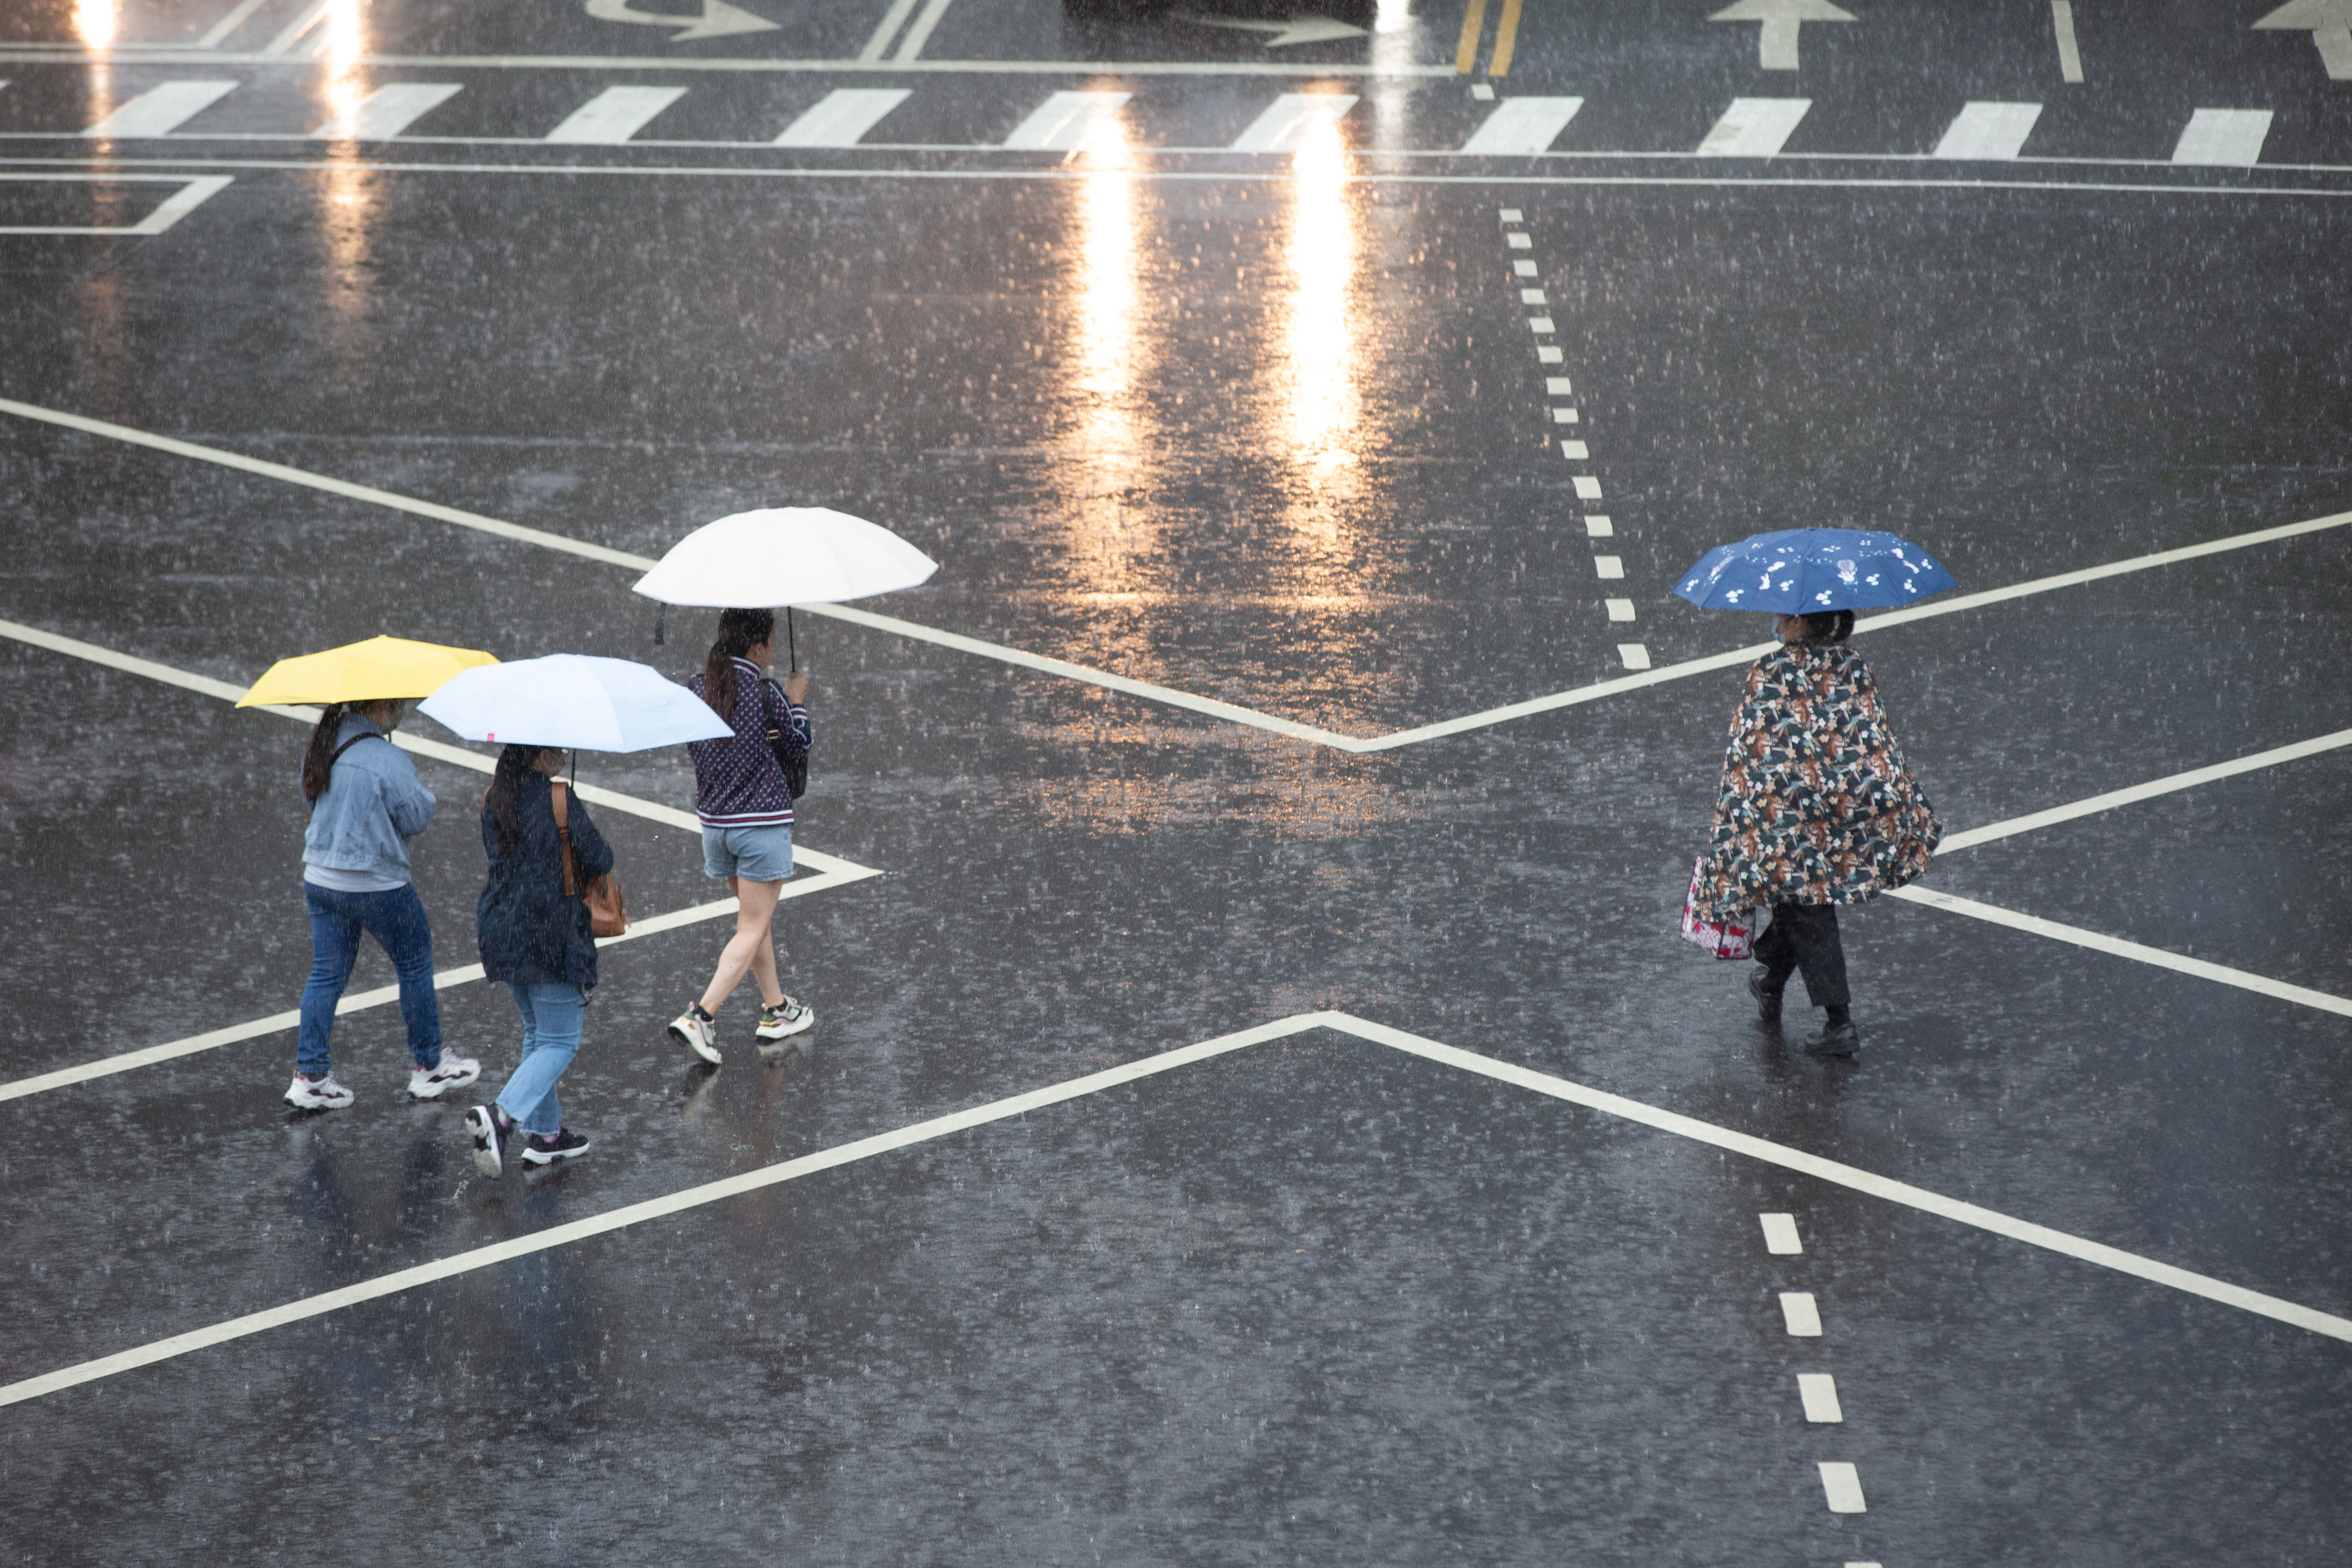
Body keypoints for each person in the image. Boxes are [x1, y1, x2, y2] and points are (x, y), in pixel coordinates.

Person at [1693, 609, 1940, 1056]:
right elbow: (1874, 741)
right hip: (1840, 816)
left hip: (1787, 821)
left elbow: (1748, 755)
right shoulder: (1854, 667)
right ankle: (1770, 979)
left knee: (1809, 906)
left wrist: (1737, 825)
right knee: (1802, 903)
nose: (1778, 620)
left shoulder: (1769, 672)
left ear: (1800, 623)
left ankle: (1839, 1021)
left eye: (1786, 615)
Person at [287, 698, 478, 1111]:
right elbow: (416, 817)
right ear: (383, 708)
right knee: (414, 963)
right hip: (376, 882)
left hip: (320, 877)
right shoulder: (387, 757)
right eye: (398, 705)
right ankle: (428, 1066)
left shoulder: (325, 745)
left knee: (326, 975)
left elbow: (314, 800)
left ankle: (310, 1076)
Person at [668, 607, 815, 1065]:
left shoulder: (698, 688)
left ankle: (777, 1009)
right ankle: (702, 1016)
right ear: (758, 648)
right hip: (760, 827)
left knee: (756, 925)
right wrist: (796, 701)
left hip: (717, 828)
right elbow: (799, 744)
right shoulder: (765, 693)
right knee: (752, 926)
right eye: (769, 642)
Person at [466, 744, 612, 1175]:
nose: (564, 756)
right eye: (557, 750)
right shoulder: (557, 799)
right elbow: (601, 858)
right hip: (549, 932)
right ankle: (501, 1115)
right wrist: (570, 819)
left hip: (502, 929)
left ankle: (547, 1135)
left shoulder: (496, 797)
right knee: (560, 1042)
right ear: (537, 755)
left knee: (538, 1032)